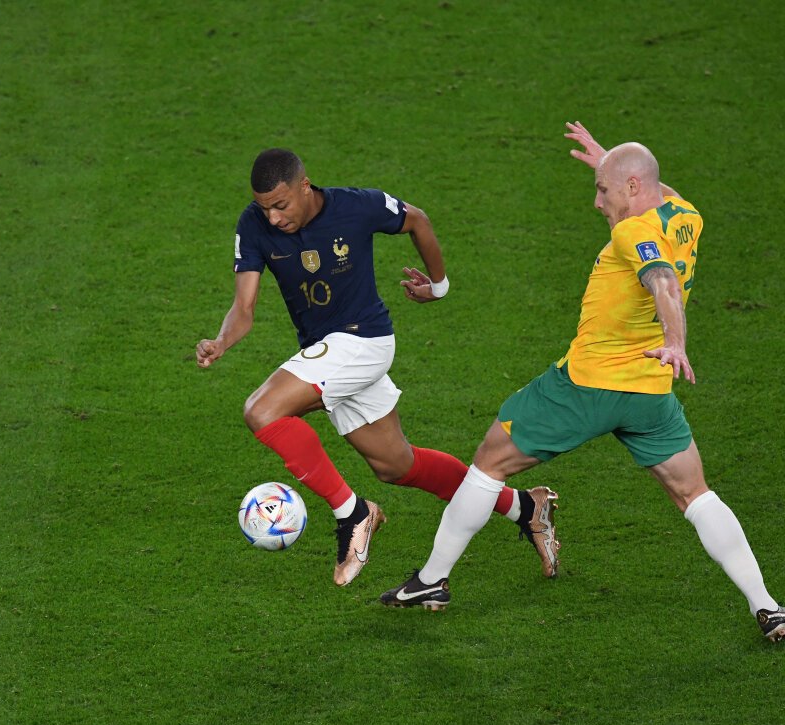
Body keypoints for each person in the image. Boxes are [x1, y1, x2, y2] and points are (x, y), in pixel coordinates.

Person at [380, 123, 785, 642]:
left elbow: (663, 282)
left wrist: (677, 341)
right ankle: (768, 606)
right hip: (650, 393)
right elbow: (661, 191)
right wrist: (611, 160)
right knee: (695, 494)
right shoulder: (686, 217)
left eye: (603, 189)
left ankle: (431, 581)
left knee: (490, 460)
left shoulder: (632, 232)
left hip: (585, 386)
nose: (597, 202)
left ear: (632, 187)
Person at [197, 148, 560, 587]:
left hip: (364, 341)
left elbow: (417, 220)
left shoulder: (355, 206)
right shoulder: (253, 224)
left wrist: (439, 286)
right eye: (264, 208)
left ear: (304, 186)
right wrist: (221, 341)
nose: (272, 218)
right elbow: (244, 308)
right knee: (397, 465)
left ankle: (353, 514)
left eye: (280, 205)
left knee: (262, 411)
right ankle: (525, 507)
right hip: (328, 353)